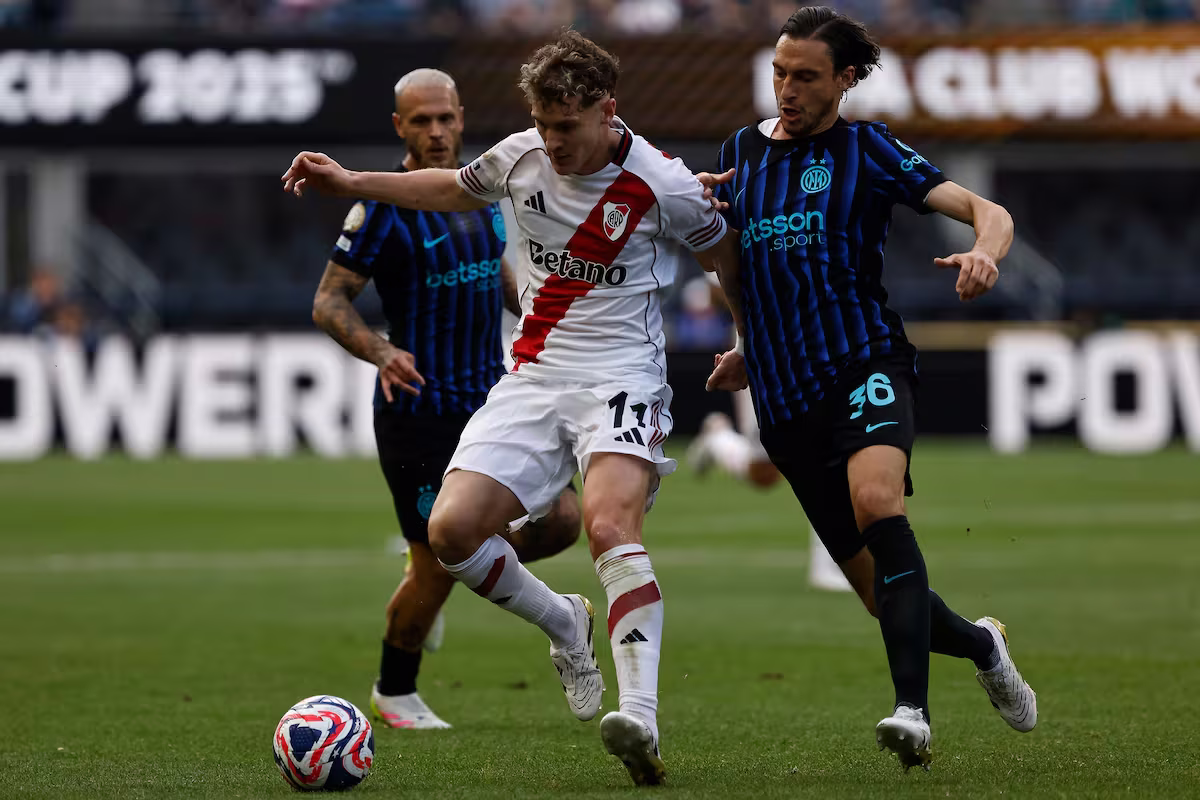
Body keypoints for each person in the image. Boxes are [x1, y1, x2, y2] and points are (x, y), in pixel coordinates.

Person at [286, 32, 736, 785]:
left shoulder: (663, 182)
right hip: (531, 378)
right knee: (452, 533)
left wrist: (748, 339)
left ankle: (641, 717)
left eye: (567, 126)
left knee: (605, 526)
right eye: (543, 123)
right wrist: (350, 181)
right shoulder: (520, 156)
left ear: (607, 110)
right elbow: (452, 188)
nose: (552, 141)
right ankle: (565, 622)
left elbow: (726, 257)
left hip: (621, 377)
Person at [701, 6, 1037, 772]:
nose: (786, 88)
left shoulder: (868, 148)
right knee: (884, 602)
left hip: (864, 362)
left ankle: (911, 713)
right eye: (779, 72)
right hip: (783, 400)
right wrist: (747, 345)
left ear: (846, 80)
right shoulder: (737, 155)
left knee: (879, 505)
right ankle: (984, 644)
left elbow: (989, 210)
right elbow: (736, 270)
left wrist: (985, 254)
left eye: (806, 76)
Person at [311, 68, 582, 731]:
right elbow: (327, 300)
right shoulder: (380, 210)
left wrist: (548, 320)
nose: (436, 132)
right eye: (420, 121)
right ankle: (394, 690)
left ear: (462, 118)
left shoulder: (482, 196)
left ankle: (445, 574)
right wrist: (380, 350)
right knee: (436, 569)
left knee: (565, 518)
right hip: (418, 416)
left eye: (445, 119)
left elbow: (503, 277)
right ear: (399, 126)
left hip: (490, 402)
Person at [687, 273, 853, 592]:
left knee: (826, 450)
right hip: (761, 349)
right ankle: (718, 440)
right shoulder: (745, 225)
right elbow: (711, 281)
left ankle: (831, 563)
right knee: (764, 472)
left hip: (812, 342)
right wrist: (748, 316)